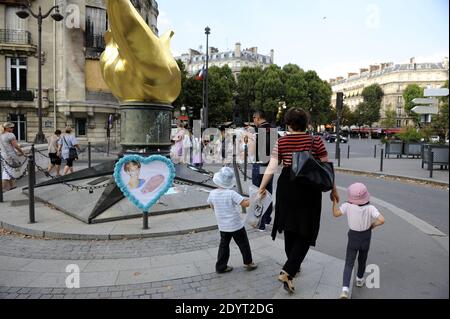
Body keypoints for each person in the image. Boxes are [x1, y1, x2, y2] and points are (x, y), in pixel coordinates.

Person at [258, 107, 339, 294]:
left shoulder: (282, 141)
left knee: (290, 226)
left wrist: (262, 188)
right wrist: (333, 190)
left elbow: (271, 166)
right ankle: (289, 269)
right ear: (306, 123)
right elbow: (327, 168)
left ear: (288, 124)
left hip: (287, 186)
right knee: (306, 229)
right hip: (309, 188)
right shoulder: (316, 141)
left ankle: (292, 265)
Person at [332, 183, 385, 299]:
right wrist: (373, 225)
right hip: (366, 236)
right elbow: (382, 220)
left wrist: (334, 202)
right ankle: (360, 279)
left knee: (349, 262)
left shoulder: (347, 206)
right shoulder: (370, 208)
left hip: (353, 237)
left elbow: (335, 214)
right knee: (362, 259)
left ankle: (345, 289)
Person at [207, 167, 258, 274]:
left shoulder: (212, 193)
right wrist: (254, 198)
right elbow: (244, 203)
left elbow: (211, 205)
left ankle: (221, 266)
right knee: (243, 243)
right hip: (236, 225)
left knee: (224, 245)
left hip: (223, 226)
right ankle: (248, 262)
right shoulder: (231, 193)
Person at [252, 110, 276, 231]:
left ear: (257, 118)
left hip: (259, 165)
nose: (253, 121)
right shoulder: (273, 130)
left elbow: (254, 152)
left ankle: (260, 223)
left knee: (259, 193)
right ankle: (267, 219)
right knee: (268, 193)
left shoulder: (258, 132)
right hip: (270, 166)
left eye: (253, 118)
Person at [0, 122, 26, 192]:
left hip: (4, 155)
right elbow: (15, 146)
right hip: (11, 156)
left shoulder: (1, 135)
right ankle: (2, 189)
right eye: (11, 127)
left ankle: (12, 186)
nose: (13, 129)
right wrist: (22, 152)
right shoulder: (10, 135)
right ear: (7, 128)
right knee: (8, 172)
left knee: (9, 171)